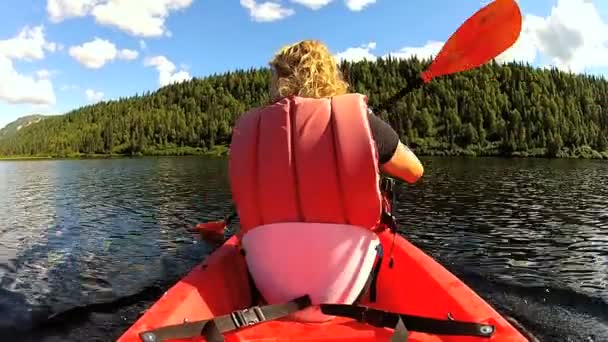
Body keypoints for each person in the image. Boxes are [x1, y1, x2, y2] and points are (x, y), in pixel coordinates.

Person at [228, 39, 424, 322]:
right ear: (328, 73)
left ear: (280, 78)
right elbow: (414, 171)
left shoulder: (252, 129)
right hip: (344, 288)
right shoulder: (360, 121)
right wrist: (369, 132)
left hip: (269, 286)